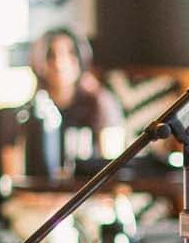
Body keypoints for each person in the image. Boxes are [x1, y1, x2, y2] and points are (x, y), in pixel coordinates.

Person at [13, 26, 123, 181]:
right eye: (51, 55)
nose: (59, 63)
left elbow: (114, 170)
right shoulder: (25, 114)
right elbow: (14, 178)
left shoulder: (101, 104)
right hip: (38, 200)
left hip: (90, 197)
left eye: (70, 54)